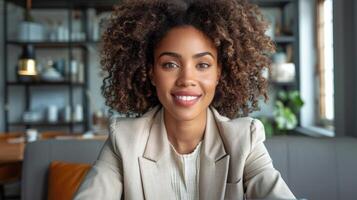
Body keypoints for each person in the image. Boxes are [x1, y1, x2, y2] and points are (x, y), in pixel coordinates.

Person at [74, 0, 296, 199]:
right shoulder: (124, 140)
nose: (187, 79)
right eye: (170, 64)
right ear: (151, 73)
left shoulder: (244, 140)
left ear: (219, 72)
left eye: (203, 65)